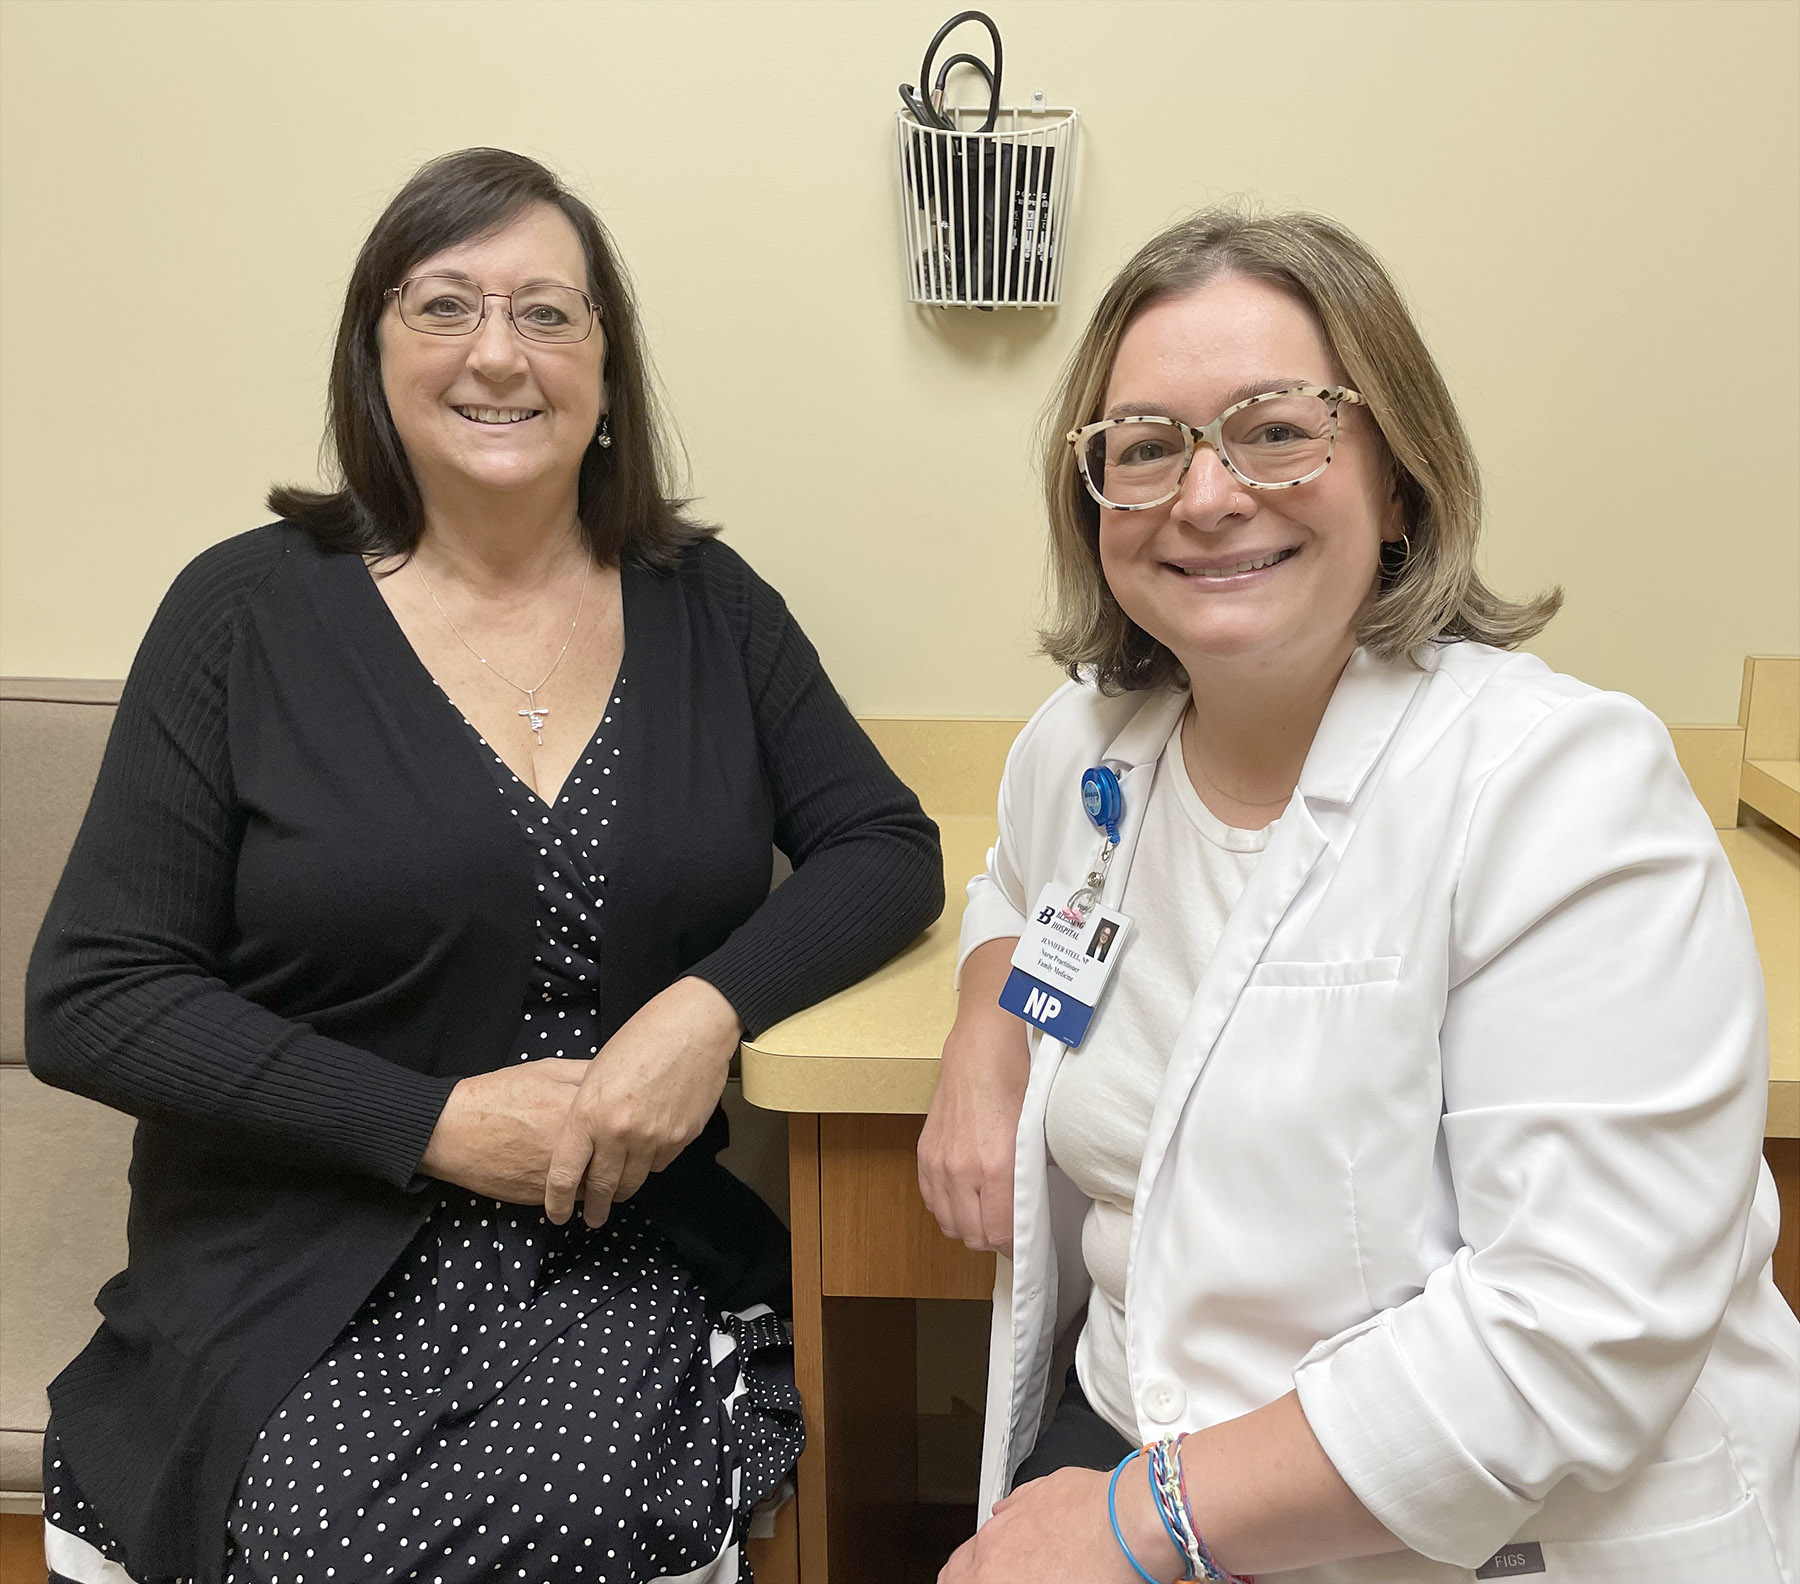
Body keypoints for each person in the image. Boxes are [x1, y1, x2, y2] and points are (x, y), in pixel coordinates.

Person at [26, 147, 943, 1584]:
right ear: (373, 356)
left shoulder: (708, 608)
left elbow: (885, 847)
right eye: (445, 307)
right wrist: (433, 1120)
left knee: (556, 1518)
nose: (499, 354)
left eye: (549, 314)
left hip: (616, 1246)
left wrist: (700, 1017)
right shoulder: (240, 615)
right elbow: (96, 994)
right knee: (318, 1540)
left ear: (606, 372)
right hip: (300, 1248)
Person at [920, 208, 1797, 1583]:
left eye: (1278, 429)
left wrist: (1128, 1525)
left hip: (1479, 1533)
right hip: (1133, 1434)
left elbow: (1572, 1327)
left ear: (1398, 481)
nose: (1206, 496)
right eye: (1145, 448)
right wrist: (984, 1038)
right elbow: (1012, 892)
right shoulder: (1084, 746)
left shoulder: (1558, 784)